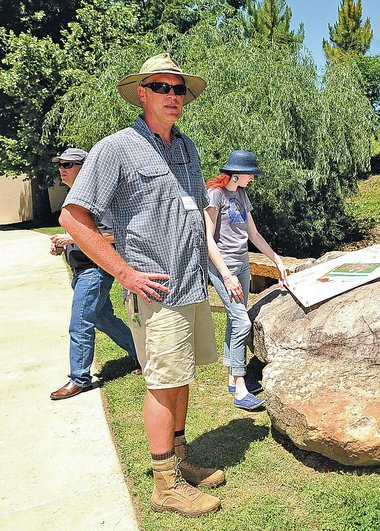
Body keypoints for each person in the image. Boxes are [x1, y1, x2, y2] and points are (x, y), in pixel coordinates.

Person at [59, 53, 242, 517]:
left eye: (179, 89)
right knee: (161, 384)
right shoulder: (116, 148)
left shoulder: (187, 147)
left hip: (191, 285)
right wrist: (124, 272)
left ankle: (179, 461)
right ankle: (164, 485)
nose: (173, 96)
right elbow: (72, 217)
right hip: (155, 293)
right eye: (162, 87)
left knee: (181, 377)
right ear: (142, 93)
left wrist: (217, 268)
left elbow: (199, 212)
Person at [49, 148, 140, 400]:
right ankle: (142, 354)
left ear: (84, 167)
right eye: (61, 164)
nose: (62, 169)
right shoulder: (76, 197)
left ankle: (79, 379)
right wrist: (63, 245)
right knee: (103, 319)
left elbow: (113, 234)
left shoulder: (99, 199)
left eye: (68, 164)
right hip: (81, 271)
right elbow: (80, 236)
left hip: (94, 271)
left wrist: (70, 238)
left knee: (80, 325)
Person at [205, 150, 287, 411]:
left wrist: (276, 259)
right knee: (242, 322)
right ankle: (240, 390)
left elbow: (252, 233)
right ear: (237, 174)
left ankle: (232, 378)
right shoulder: (215, 195)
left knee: (233, 318)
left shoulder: (240, 193)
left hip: (242, 263)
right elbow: (207, 239)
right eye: (250, 174)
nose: (253, 178)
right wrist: (226, 276)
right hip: (223, 268)